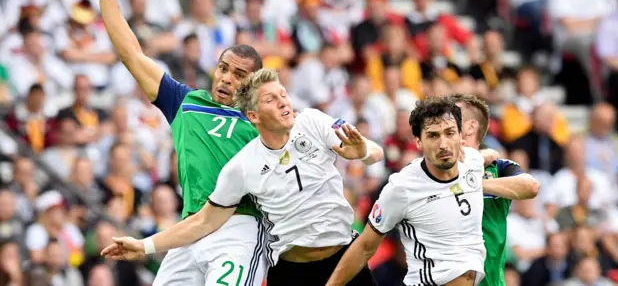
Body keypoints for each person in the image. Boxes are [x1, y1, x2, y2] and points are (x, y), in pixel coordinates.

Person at [79, 0, 267, 286]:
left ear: (252, 84)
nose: (225, 78)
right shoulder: (186, 103)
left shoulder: (262, 123)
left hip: (238, 231)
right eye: (224, 68)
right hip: (189, 230)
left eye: (238, 75)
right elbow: (132, 55)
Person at [101, 68, 385, 286]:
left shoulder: (311, 121)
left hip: (344, 257)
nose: (284, 103)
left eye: (283, 94)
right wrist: (144, 246)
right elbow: (202, 221)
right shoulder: (243, 166)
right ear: (254, 116)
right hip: (292, 271)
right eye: (271, 100)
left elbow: (373, 151)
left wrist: (362, 151)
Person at [326, 97, 500, 286]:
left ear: (460, 135)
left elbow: (486, 157)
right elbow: (364, 246)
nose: (443, 144)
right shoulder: (402, 187)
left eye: (449, 133)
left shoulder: (472, 162)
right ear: (418, 142)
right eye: (433, 136)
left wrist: (486, 155)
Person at [453, 94, 540, 286]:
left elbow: (531, 186)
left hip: (490, 280)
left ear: (471, 127)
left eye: (452, 116)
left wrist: (475, 184)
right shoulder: (438, 169)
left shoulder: (499, 168)